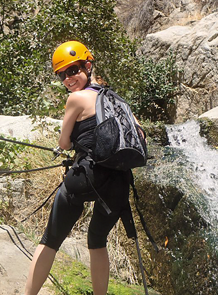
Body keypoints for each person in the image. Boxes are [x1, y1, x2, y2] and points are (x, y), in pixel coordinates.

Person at [24, 41, 138, 295]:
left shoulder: (76, 98)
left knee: (50, 240)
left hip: (86, 177)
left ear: (88, 65)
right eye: (62, 74)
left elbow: (64, 143)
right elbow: (138, 135)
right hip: (119, 182)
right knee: (97, 241)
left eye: (73, 70)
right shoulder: (118, 101)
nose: (68, 78)